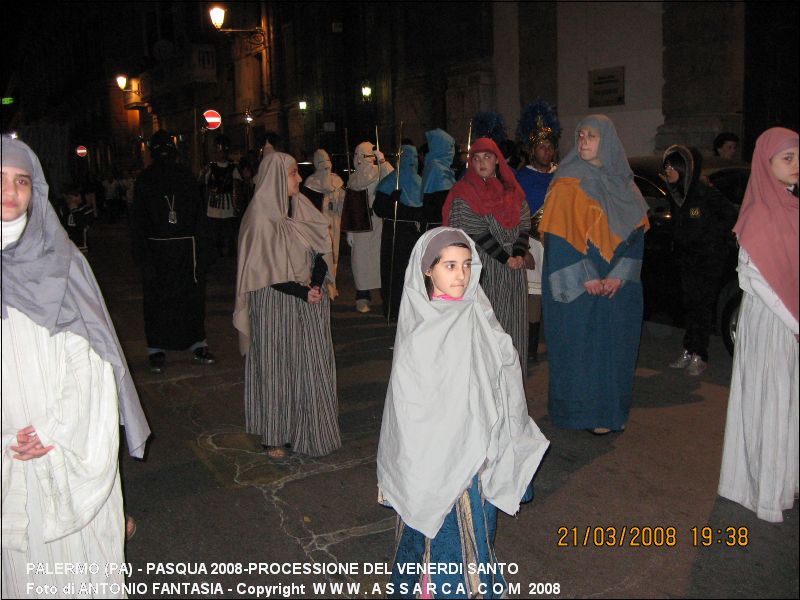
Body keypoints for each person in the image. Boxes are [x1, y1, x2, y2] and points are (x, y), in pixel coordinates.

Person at [2, 135, 151, 596]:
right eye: (1, 180)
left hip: (60, 439)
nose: (11, 192)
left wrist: (52, 430)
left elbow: (91, 363)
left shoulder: (62, 261)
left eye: (22, 181)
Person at [377, 227, 549, 598]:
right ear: (427, 270)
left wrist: (500, 434)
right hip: (437, 455)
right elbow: (412, 406)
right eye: (449, 265)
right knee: (436, 532)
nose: (461, 275)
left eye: (467, 265)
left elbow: (502, 375)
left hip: (478, 451)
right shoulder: (422, 327)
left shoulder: (479, 314)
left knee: (475, 534)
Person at [539, 115, 649, 434]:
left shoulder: (626, 185)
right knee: (581, 349)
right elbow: (558, 238)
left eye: (592, 136)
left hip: (617, 285)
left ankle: (612, 411)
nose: (583, 141)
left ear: (608, 142)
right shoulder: (565, 183)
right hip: (580, 285)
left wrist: (620, 275)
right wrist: (586, 275)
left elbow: (637, 235)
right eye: (581, 135)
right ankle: (581, 414)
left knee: (615, 348)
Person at [234, 151, 341, 459]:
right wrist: (300, 291)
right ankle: (276, 434)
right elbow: (261, 270)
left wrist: (317, 284)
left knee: (308, 366)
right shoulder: (258, 219)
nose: (297, 179)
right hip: (274, 302)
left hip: (309, 299)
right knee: (278, 367)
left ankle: (306, 428)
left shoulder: (302, 208)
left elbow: (320, 251)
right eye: (293, 174)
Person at [718, 127, 799, 523]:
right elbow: (753, 278)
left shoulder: (790, 207)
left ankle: (780, 478)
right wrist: (793, 320)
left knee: (786, 403)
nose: (796, 165)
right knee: (768, 401)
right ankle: (761, 487)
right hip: (769, 322)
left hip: (788, 322)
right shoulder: (759, 213)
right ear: (766, 164)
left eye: (798, 157)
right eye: (787, 158)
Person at [443, 137, 532, 375]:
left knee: (515, 327)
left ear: (497, 161)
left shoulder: (511, 190)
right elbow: (474, 230)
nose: (482, 162)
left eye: (487, 157)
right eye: (476, 158)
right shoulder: (464, 193)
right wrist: (506, 258)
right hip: (485, 268)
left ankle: (513, 383)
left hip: (515, 268)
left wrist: (519, 253)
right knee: (489, 327)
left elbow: (524, 224)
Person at [131, 130, 217, 374]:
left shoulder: (185, 177)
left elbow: (199, 215)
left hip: (186, 252)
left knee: (190, 300)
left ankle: (198, 344)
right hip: (157, 252)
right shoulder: (145, 180)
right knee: (158, 301)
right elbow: (138, 221)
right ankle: (156, 348)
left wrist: (203, 250)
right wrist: (142, 257)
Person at [663, 145, 739, 375]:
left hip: (707, 261)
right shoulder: (677, 194)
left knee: (702, 307)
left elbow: (731, 217)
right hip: (687, 260)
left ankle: (700, 354)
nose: (667, 169)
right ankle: (689, 348)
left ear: (684, 168)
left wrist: (714, 240)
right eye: (665, 165)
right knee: (690, 306)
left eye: (672, 165)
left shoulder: (704, 193)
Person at [516, 100, 562, 362]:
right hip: (532, 243)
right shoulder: (523, 178)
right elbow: (514, 216)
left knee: (557, 296)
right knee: (534, 299)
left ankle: (557, 348)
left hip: (557, 242)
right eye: (541, 147)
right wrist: (522, 248)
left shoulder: (563, 175)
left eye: (550, 147)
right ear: (532, 150)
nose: (546, 151)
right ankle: (530, 350)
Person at [372, 144, 423, 320]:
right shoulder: (389, 183)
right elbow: (378, 208)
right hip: (393, 234)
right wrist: (392, 201)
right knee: (394, 271)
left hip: (413, 235)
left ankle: (412, 310)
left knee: (413, 273)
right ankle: (393, 310)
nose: (413, 162)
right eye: (409, 158)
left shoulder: (421, 182)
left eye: (416, 158)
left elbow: (425, 211)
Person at [344, 141, 393, 313]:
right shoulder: (354, 178)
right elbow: (349, 204)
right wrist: (349, 230)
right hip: (360, 224)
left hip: (378, 222)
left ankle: (384, 295)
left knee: (379, 260)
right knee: (361, 261)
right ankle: (363, 296)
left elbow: (394, 179)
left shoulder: (380, 171)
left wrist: (383, 162)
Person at [301, 148, 346, 299]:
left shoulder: (337, 180)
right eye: (321, 162)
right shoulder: (310, 184)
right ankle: (323, 284)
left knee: (334, 253)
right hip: (319, 226)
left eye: (328, 161)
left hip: (334, 223)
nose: (326, 165)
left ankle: (332, 284)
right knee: (322, 255)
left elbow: (341, 202)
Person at [203, 134, 242, 257]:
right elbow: (205, 185)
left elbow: (237, 187)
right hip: (214, 206)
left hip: (229, 206)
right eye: (219, 151)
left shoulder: (233, 168)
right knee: (215, 234)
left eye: (223, 151)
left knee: (229, 233)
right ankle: (216, 255)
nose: (221, 154)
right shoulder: (211, 168)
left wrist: (236, 206)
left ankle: (229, 255)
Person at [419, 128, 457, 230]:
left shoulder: (437, 165)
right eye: (450, 147)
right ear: (441, 147)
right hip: (438, 225)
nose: (452, 151)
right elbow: (441, 199)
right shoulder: (437, 168)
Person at [56, 183, 94, 252]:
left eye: (79, 194)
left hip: (83, 247)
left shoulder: (86, 210)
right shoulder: (62, 211)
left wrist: (73, 208)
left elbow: (81, 224)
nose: (79, 197)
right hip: (67, 248)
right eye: (76, 195)